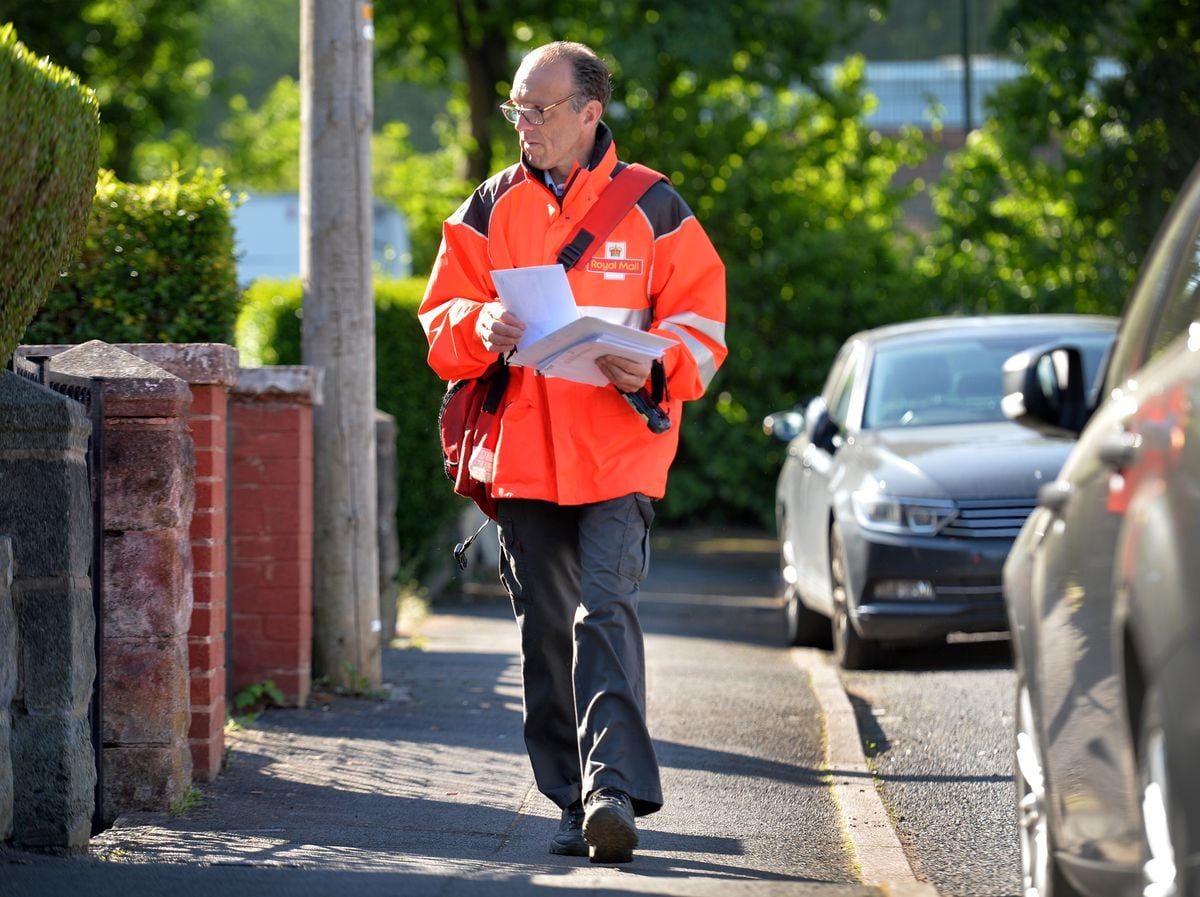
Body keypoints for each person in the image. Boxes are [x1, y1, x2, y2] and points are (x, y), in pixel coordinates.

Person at [419, 40, 727, 864]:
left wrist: (659, 359)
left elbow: (704, 325)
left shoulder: (655, 206)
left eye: (541, 109)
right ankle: (568, 797)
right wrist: (475, 326)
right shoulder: (487, 206)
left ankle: (612, 791)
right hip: (523, 454)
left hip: (618, 452)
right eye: (517, 108)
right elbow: (441, 321)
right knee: (544, 629)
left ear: (591, 114)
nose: (525, 124)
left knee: (605, 608)